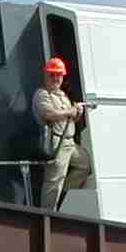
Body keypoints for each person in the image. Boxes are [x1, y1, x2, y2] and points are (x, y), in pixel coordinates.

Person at [32, 57, 92, 211]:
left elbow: (71, 119)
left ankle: (64, 195)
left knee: (84, 164)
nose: (55, 78)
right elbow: (49, 114)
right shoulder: (42, 94)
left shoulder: (62, 95)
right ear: (46, 76)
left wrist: (77, 113)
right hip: (57, 142)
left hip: (69, 142)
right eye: (52, 75)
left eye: (58, 75)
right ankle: (47, 214)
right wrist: (70, 111)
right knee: (53, 181)